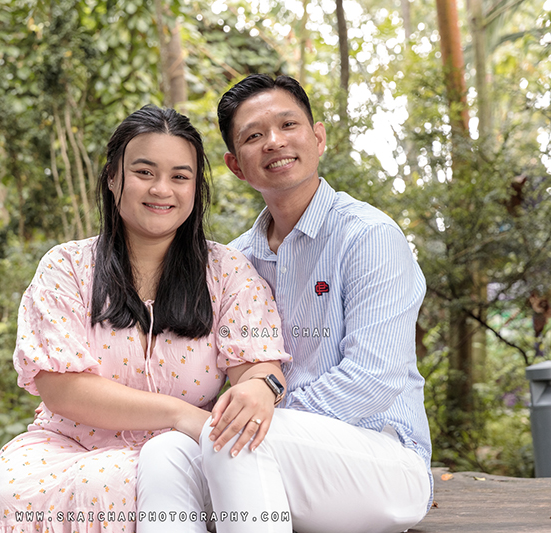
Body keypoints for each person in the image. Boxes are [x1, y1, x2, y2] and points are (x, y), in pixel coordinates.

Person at [0, 105, 290, 533]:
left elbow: (259, 367)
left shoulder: (228, 272)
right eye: (144, 172)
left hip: (180, 452)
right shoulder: (66, 267)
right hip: (67, 444)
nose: (162, 189)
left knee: (127, 486)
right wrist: (179, 413)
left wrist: (260, 390)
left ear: (196, 188)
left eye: (180, 176)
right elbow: (61, 388)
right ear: (113, 178)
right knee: (10, 493)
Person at [136, 75, 432, 533]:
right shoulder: (233, 262)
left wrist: (265, 404)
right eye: (254, 135)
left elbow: (374, 379)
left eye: (288, 125)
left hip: (383, 463)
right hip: (278, 460)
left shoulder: (368, 237)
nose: (274, 142)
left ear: (317, 138)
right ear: (236, 166)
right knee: (164, 453)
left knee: (237, 435)